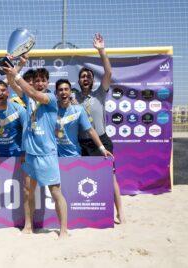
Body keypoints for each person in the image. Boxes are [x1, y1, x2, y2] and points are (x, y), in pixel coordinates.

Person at [4, 66, 68, 238]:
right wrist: (12, 72)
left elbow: (32, 92)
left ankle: (63, 230)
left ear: (48, 83)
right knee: (27, 191)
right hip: (31, 153)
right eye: (37, 80)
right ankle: (28, 226)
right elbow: (13, 84)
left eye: (43, 80)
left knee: (55, 192)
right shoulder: (28, 96)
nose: (40, 83)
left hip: (47, 153)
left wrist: (17, 75)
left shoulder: (51, 98)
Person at [75, 33, 125, 224]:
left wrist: (101, 50)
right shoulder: (73, 98)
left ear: (92, 80)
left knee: (110, 178)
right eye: (82, 77)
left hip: (101, 142)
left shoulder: (100, 94)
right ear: (79, 81)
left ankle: (120, 213)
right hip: (81, 143)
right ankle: (89, 213)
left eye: (88, 76)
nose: (86, 78)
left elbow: (109, 73)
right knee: (85, 178)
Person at [55, 79, 113, 158]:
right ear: (56, 93)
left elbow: (90, 130)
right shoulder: (51, 111)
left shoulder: (79, 110)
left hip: (74, 155)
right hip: (55, 157)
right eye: (60, 90)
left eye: (66, 89)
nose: (63, 92)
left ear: (70, 92)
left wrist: (102, 149)